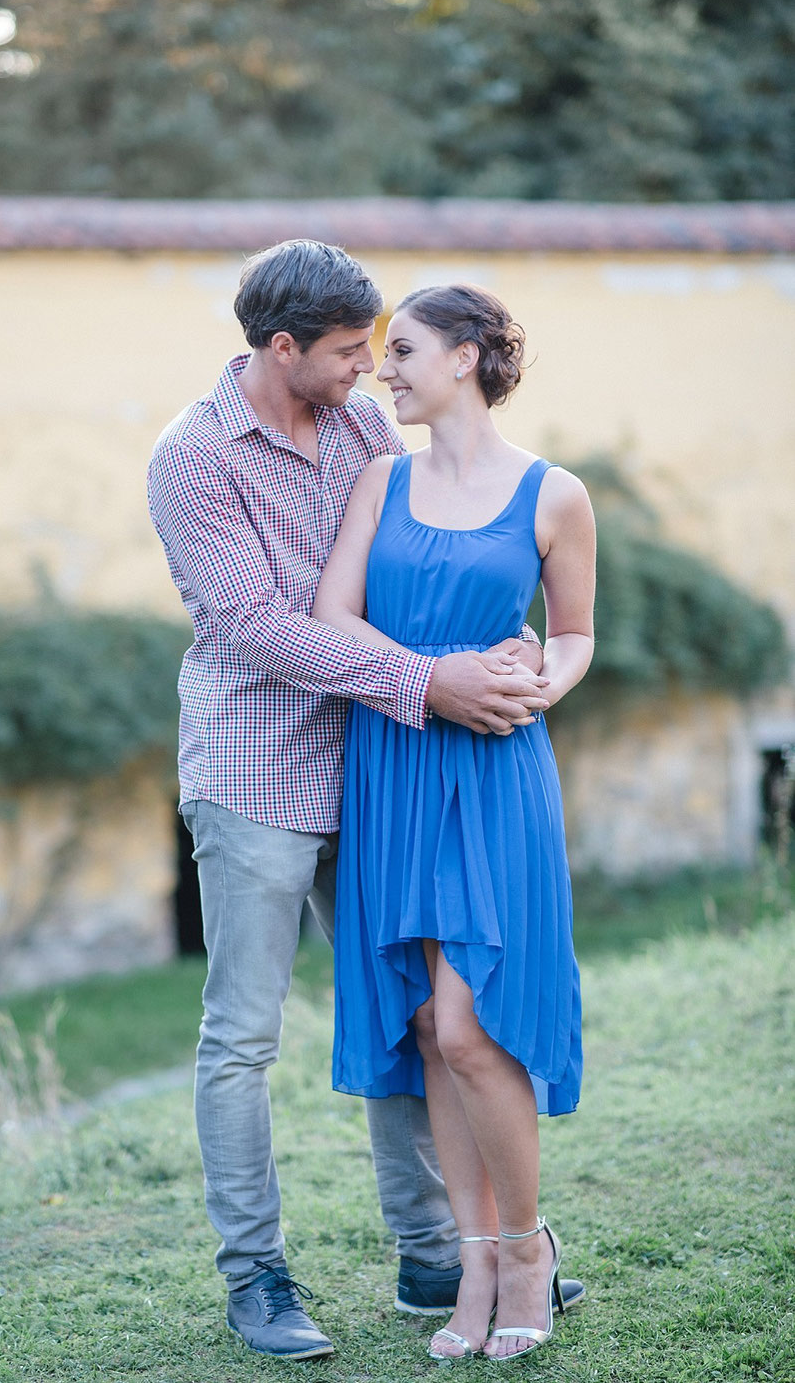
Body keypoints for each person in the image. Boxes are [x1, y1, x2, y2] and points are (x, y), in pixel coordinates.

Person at [147, 241, 582, 1362]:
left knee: (412, 1013)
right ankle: (255, 1273)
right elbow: (255, 625)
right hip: (257, 768)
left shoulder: (358, 428)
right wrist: (430, 679)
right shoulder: (194, 457)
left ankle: (435, 1250)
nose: (368, 373)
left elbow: (425, 548)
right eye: (348, 353)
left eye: (380, 350)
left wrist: (502, 649)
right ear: (280, 349)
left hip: (387, 768)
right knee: (242, 1035)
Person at [312, 284, 595, 1363]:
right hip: (392, 758)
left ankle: (525, 1248)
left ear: (469, 358)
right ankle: (474, 1260)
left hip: (492, 769)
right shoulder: (379, 483)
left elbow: (571, 634)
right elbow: (334, 617)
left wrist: (537, 681)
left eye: (406, 351)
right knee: (429, 1026)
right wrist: (432, 676)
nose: (385, 369)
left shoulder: (553, 493)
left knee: (474, 1026)